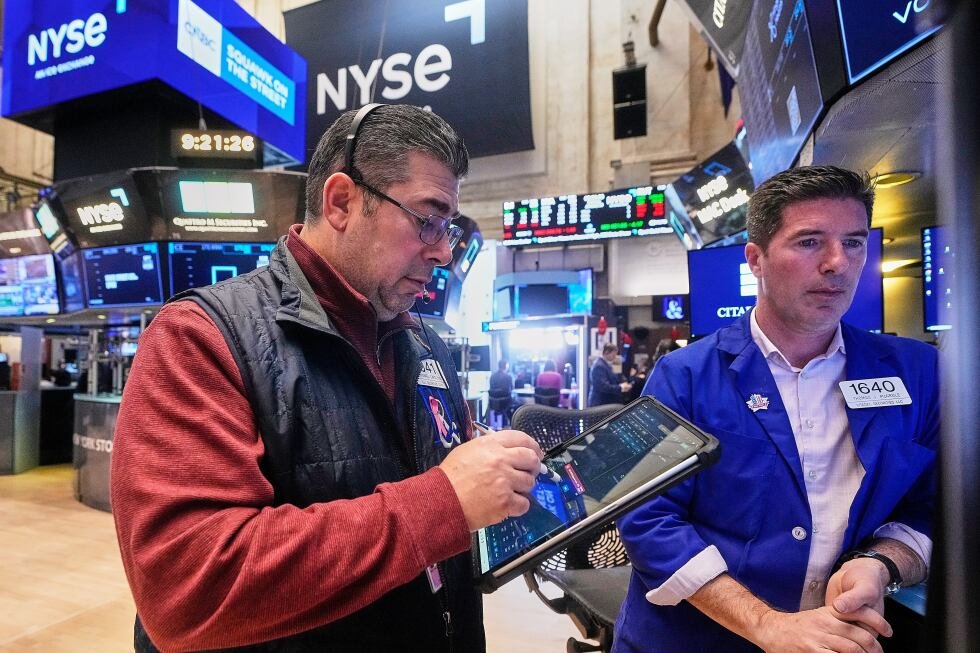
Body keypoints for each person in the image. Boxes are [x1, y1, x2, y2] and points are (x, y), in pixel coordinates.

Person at [110, 104, 545, 653]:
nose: (442, 251)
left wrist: (495, 481)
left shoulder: (424, 343)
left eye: (449, 227)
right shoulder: (198, 338)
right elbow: (186, 590)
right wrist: (443, 502)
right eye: (427, 219)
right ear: (341, 202)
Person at [614, 165, 938, 652]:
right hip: (696, 640)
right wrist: (767, 625)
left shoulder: (917, 373)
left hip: (839, 638)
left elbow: (931, 506)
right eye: (809, 242)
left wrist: (882, 563)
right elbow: (647, 519)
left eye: (854, 242)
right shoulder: (685, 375)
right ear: (756, 260)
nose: (838, 263)